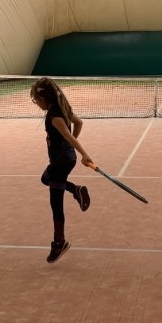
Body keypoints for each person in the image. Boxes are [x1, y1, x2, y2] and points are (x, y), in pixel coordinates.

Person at [30, 77, 93, 263]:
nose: (36, 103)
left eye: (36, 100)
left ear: (44, 98)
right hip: (65, 158)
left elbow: (69, 136)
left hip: (61, 161)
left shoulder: (54, 116)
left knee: (56, 204)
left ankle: (59, 243)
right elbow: (79, 123)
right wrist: (69, 147)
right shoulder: (62, 110)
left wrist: (84, 154)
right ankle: (75, 190)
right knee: (45, 178)